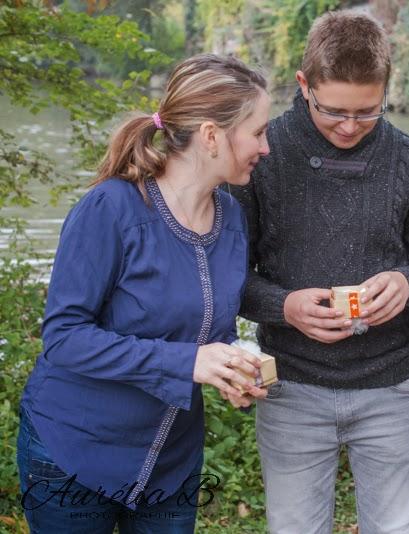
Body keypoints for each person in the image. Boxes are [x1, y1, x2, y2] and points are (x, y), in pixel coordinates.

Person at [16, 54, 271, 533]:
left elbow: (203, 332)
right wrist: (187, 363)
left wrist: (230, 370)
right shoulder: (110, 208)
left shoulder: (232, 218)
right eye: (257, 131)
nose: (267, 146)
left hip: (170, 466)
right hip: (75, 456)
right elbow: (64, 338)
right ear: (212, 135)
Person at [230, 11, 409, 534]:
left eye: (367, 112)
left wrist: (407, 285)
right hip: (291, 387)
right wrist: (285, 307)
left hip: (394, 388)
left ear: (385, 91)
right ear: (303, 85)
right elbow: (230, 279)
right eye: (334, 111)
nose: (350, 126)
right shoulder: (262, 155)